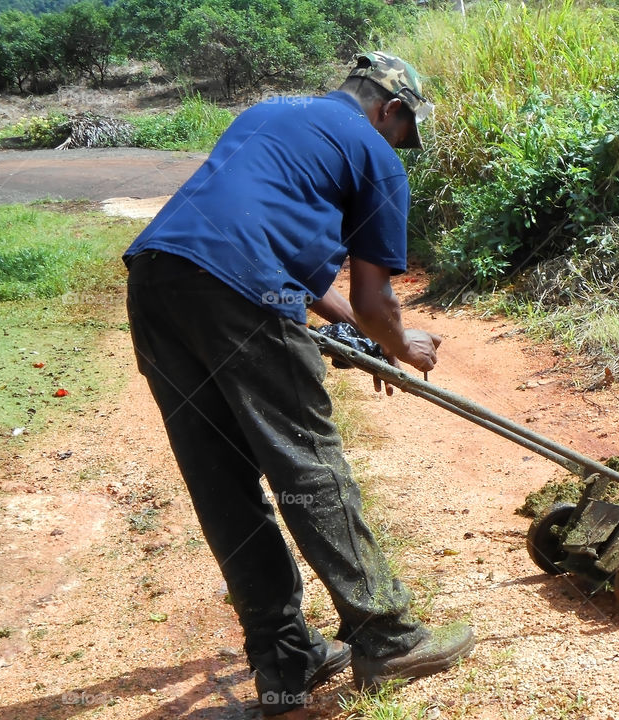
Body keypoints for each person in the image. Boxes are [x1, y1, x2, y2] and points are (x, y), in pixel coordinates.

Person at [123, 52, 474, 718]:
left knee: (222, 483)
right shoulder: (375, 153)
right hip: (238, 291)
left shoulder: (269, 117)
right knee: (309, 468)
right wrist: (403, 346)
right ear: (391, 111)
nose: (402, 144)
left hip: (156, 280)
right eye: (405, 131)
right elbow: (374, 297)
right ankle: (388, 636)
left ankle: (287, 659)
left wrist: (366, 339)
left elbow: (275, 253)